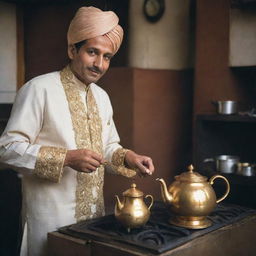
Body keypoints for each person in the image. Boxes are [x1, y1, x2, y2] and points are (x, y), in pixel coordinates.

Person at [0, 6, 154, 256]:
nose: (99, 64)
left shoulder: (102, 97)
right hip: (50, 218)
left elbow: (107, 148)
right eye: (92, 52)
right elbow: (7, 149)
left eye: (107, 57)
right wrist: (67, 158)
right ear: (73, 50)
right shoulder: (39, 89)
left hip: (93, 219)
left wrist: (129, 157)